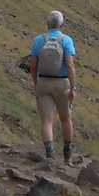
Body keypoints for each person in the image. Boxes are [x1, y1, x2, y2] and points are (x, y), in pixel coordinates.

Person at [29, 10, 76, 164]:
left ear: (47, 23)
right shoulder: (66, 40)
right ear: (61, 24)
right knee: (66, 119)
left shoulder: (38, 40)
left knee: (47, 121)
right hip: (62, 84)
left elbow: (33, 66)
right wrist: (73, 87)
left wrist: (36, 83)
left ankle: (50, 156)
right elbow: (70, 66)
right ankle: (67, 156)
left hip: (43, 82)